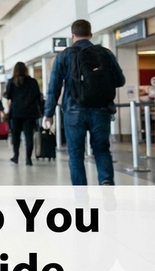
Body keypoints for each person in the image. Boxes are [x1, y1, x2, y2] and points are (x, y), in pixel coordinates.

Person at [44, 19, 125, 186]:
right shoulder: (105, 53)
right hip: (101, 110)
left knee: (75, 155)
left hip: (73, 113)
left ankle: (81, 197)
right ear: (91, 34)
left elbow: (54, 87)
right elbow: (120, 80)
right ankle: (106, 182)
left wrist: (48, 114)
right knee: (102, 150)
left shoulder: (64, 56)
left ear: (72, 36)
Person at [4, 62, 41, 165]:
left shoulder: (12, 82)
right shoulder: (33, 82)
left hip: (16, 112)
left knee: (16, 136)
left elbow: (8, 96)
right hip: (30, 113)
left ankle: (16, 156)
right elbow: (37, 96)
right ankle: (28, 159)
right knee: (29, 136)